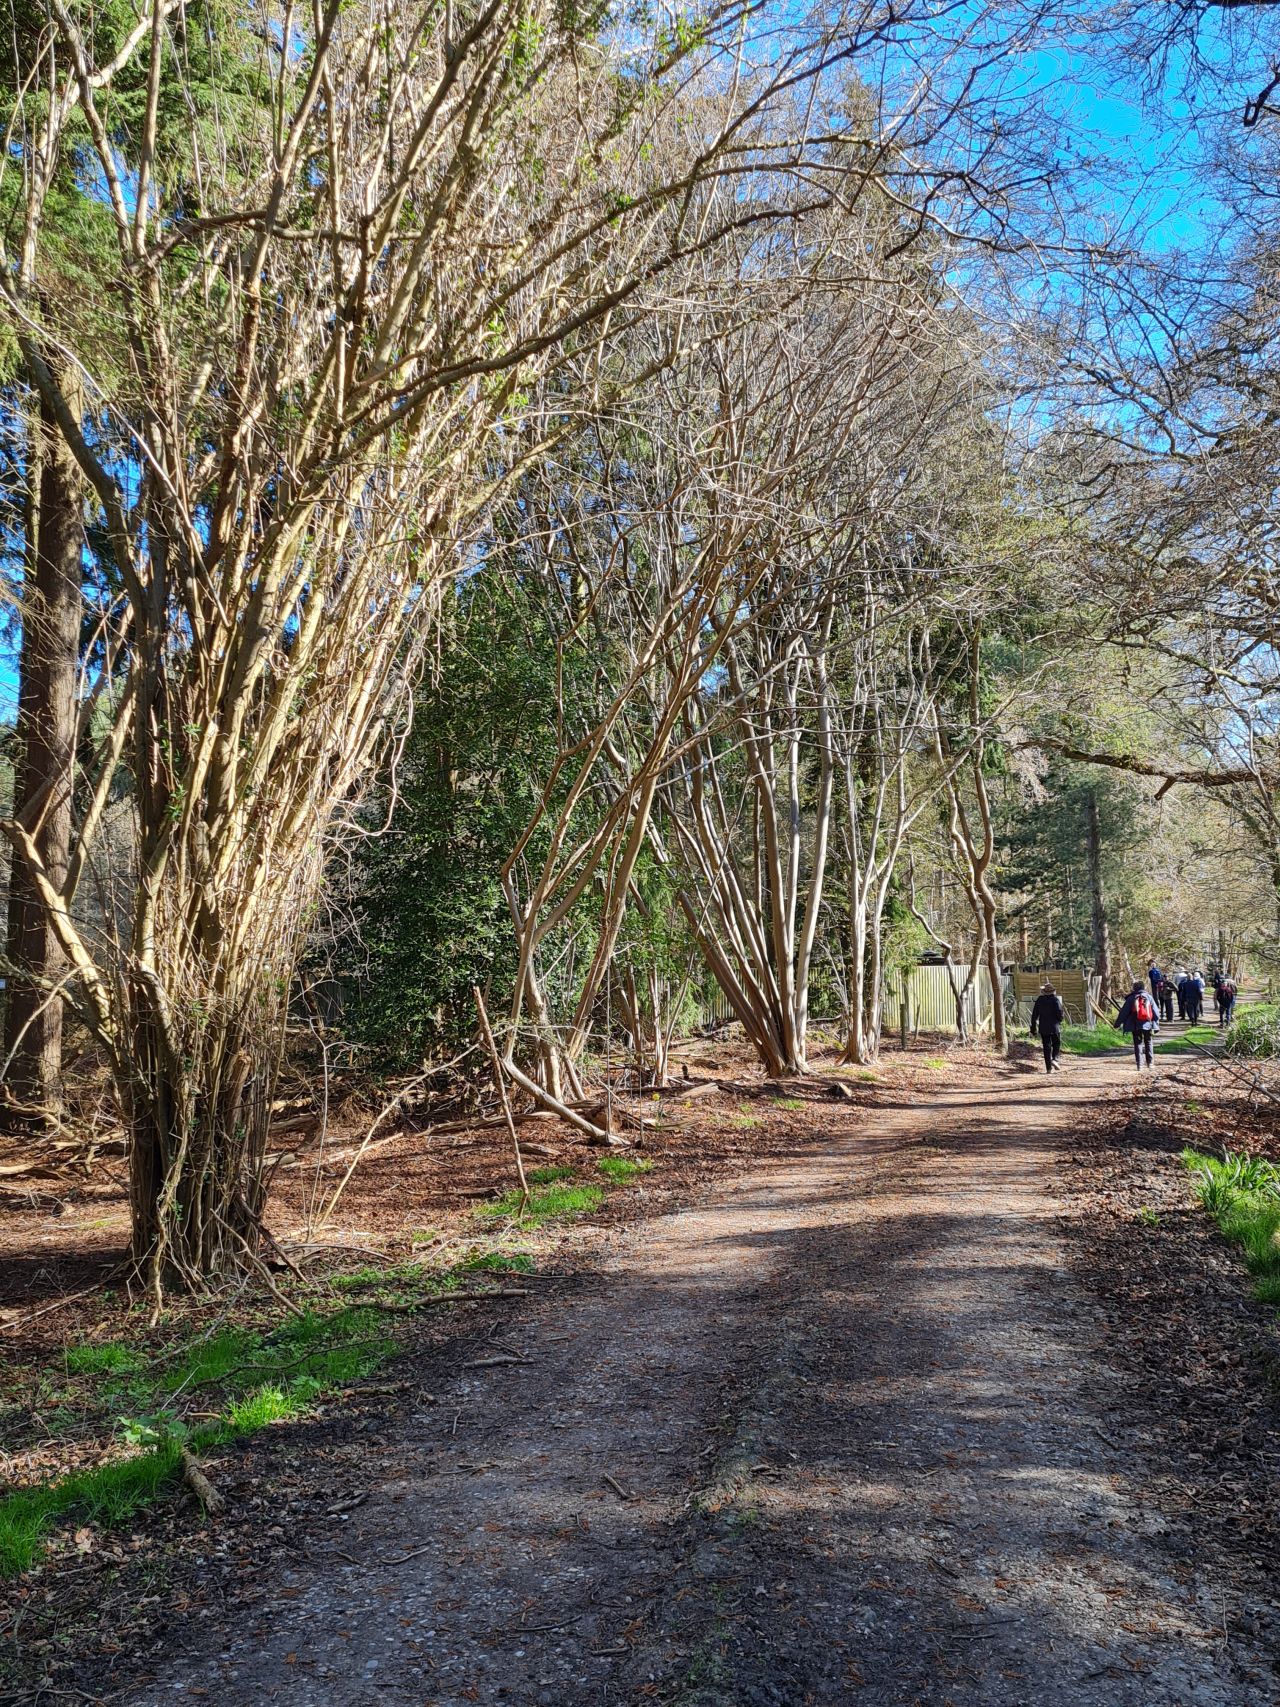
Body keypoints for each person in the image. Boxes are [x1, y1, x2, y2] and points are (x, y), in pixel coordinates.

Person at [1117, 979, 1160, 1070]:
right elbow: (1156, 1012)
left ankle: (1140, 1065)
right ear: (1143, 987)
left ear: (1134, 988)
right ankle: (1150, 1063)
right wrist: (1156, 1024)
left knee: (1138, 1043)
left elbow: (1123, 1013)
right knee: (1148, 1042)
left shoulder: (1131, 998)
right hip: (1147, 1024)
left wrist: (1117, 1023)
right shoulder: (1149, 997)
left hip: (1135, 1024)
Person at [1029, 980, 1066, 1074]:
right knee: (1056, 1043)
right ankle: (1054, 1058)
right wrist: (1060, 1019)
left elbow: (1034, 1016)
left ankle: (1048, 1068)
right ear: (1053, 991)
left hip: (1043, 1027)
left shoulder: (1040, 1000)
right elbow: (1060, 1013)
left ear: (1043, 992)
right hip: (1054, 1027)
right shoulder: (1055, 1000)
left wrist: (1033, 1029)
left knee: (1046, 1047)